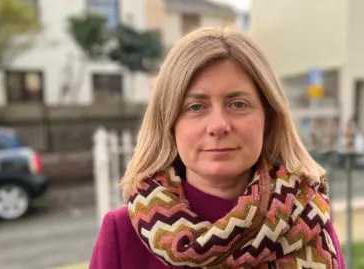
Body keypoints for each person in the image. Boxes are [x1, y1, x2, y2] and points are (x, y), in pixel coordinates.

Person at [89, 27, 346, 269]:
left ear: (267, 118)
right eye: (196, 107)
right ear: (169, 124)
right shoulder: (124, 234)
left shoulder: (308, 220)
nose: (218, 125)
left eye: (238, 104)